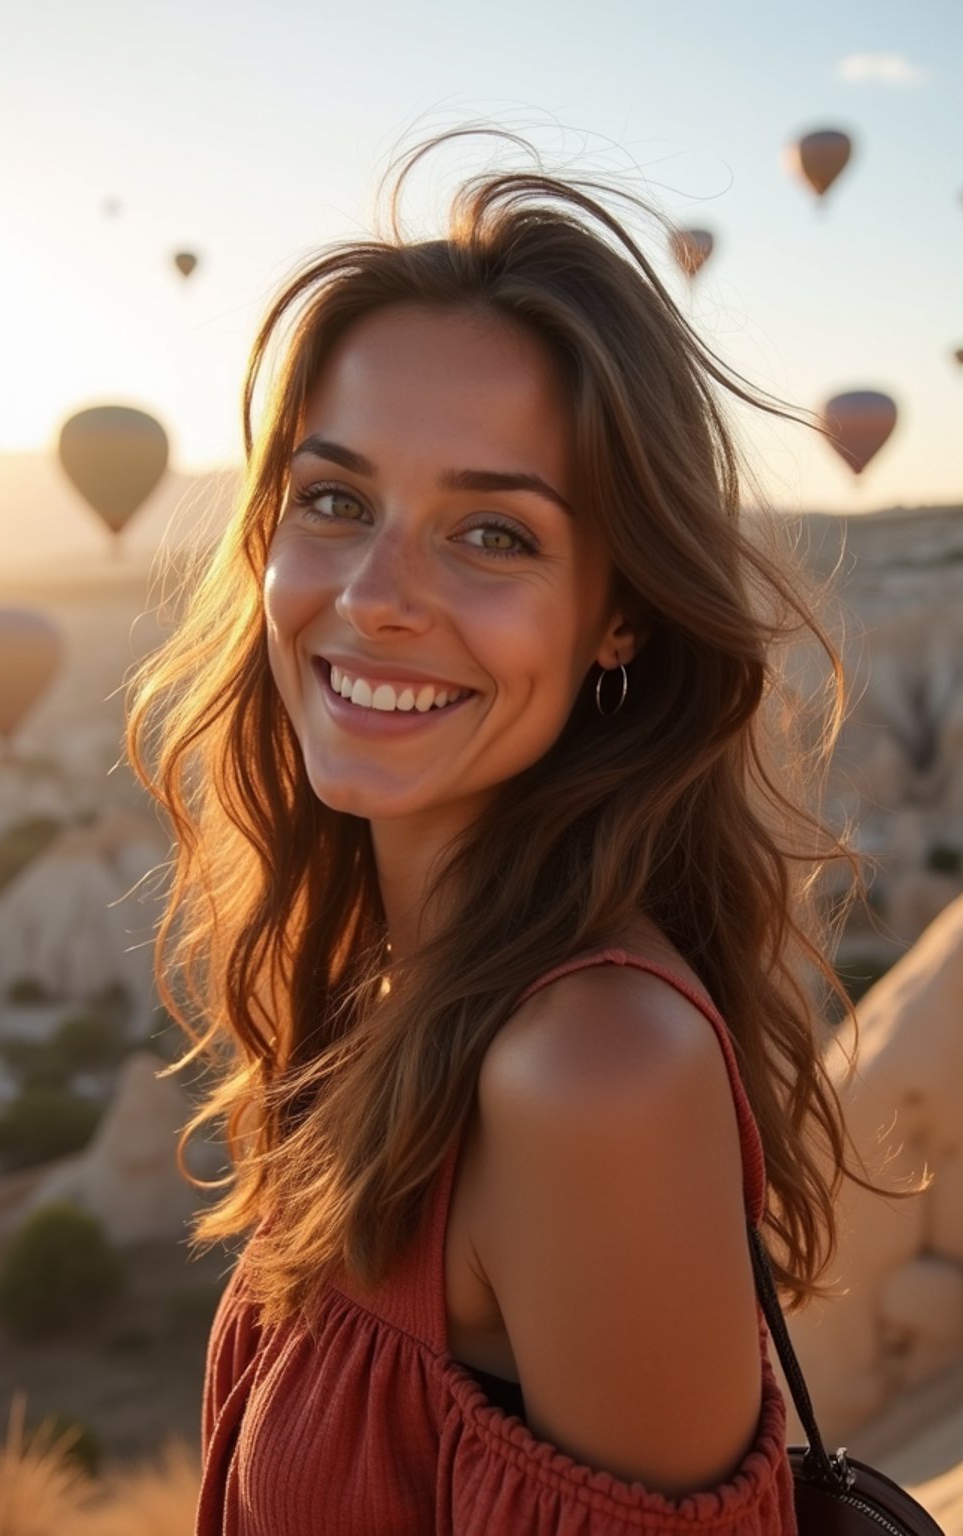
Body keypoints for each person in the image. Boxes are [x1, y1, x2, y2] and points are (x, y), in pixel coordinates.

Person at [128, 130, 864, 1535]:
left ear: (623, 613)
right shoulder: (392, 989)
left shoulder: (592, 1072)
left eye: (495, 536)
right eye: (334, 501)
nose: (375, 597)